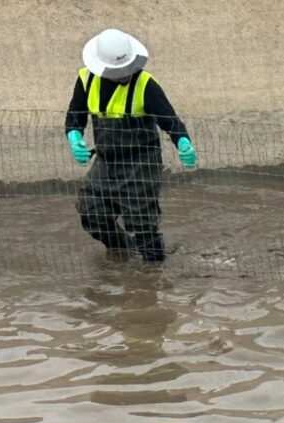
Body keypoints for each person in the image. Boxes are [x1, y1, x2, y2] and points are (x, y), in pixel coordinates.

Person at [66, 29, 194, 263]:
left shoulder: (146, 84)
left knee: (143, 224)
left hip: (140, 164)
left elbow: (170, 120)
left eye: (128, 68)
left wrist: (183, 142)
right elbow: (75, 115)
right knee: (92, 213)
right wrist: (74, 137)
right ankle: (125, 251)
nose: (125, 74)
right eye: (119, 71)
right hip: (106, 162)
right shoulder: (86, 79)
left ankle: (154, 272)